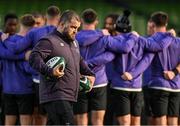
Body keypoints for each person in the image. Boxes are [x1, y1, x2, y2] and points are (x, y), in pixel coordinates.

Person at [29, 10, 95, 125]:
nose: (75, 31)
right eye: (73, 27)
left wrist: (91, 74)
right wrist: (50, 71)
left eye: (77, 28)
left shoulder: (74, 43)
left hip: (69, 95)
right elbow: (34, 58)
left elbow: (79, 60)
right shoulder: (49, 40)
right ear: (61, 24)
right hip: (56, 95)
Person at [1, 5, 61, 125]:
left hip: (20, 87)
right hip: (28, 87)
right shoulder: (31, 40)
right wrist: (24, 57)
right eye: (36, 24)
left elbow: (9, 52)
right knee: (37, 116)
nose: (37, 27)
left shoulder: (15, 40)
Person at [0, 14, 36, 125]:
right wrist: (24, 57)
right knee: (26, 121)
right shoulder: (31, 43)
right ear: (33, 27)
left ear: (20, 24)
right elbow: (30, 69)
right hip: (26, 89)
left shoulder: (5, 40)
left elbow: (4, 54)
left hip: (8, 89)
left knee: (9, 122)